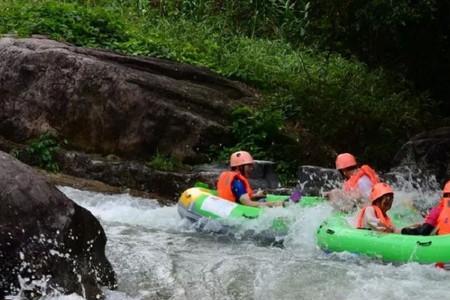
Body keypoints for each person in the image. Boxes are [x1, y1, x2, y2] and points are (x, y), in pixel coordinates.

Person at [216, 151, 282, 207]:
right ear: (240, 167)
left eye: (251, 166)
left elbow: (238, 195)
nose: (252, 168)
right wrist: (273, 204)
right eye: (249, 166)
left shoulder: (232, 178)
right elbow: (248, 203)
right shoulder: (238, 183)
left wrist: (256, 195)